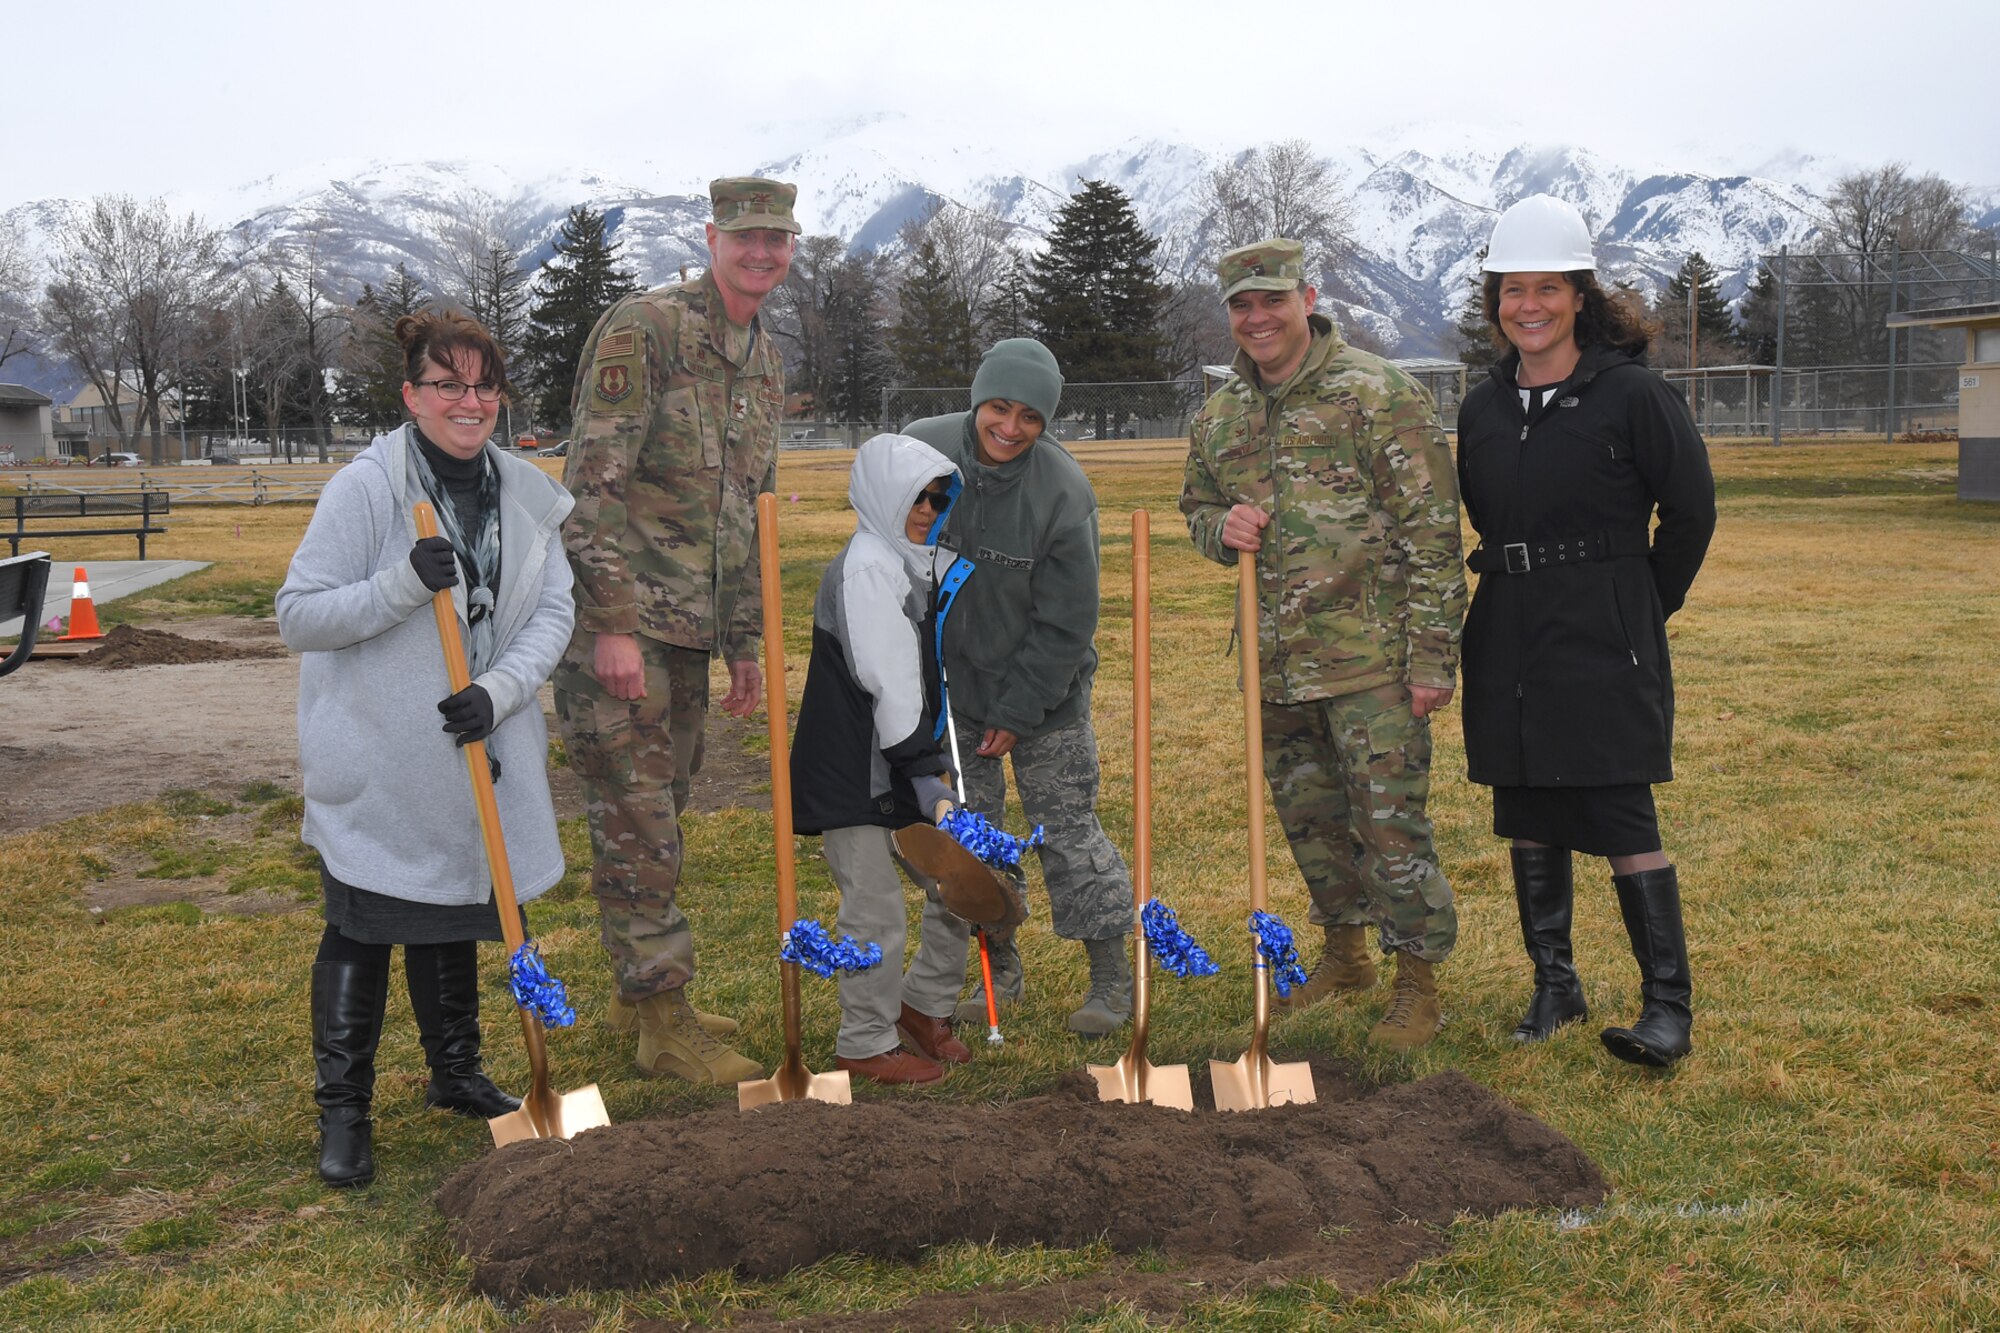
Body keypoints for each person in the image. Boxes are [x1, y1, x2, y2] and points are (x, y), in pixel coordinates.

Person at [276, 310, 576, 1187]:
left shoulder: (523, 491)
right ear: (412, 395)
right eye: (448, 383)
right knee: (365, 923)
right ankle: (345, 1112)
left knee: (456, 902)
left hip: (480, 744)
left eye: (483, 385)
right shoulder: (366, 489)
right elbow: (300, 614)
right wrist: (401, 584)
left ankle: (455, 1072)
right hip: (383, 758)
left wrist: (499, 691)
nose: (468, 400)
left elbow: (554, 610)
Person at [1181, 238, 1467, 1052]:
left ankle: (1417, 979)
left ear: (1307, 298)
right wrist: (1218, 527)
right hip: (1275, 660)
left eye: (1273, 299)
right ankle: (1344, 955)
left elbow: (1433, 532)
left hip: (1371, 659)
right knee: (1308, 818)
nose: (1258, 317)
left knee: (1390, 825)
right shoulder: (1222, 414)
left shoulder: (1378, 394)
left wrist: (1433, 657)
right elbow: (1197, 504)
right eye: (1242, 304)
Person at [1457, 194, 1716, 1067]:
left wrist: (1640, 605)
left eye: (1546, 288)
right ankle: (1555, 983)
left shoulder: (1632, 394)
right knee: (1528, 802)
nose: (1526, 305)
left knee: (1620, 809)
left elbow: (1690, 511)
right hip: (1509, 624)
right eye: (1510, 289)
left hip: (1604, 630)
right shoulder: (1482, 409)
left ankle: (1666, 1008)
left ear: (1580, 294)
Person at [553, 176, 797, 1086]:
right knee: (641, 820)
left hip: (695, 631)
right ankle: (663, 1019)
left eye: (777, 238)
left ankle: (634, 986)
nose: (762, 252)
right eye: (746, 237)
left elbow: (747, 509)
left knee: (659, 814)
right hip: (625, 629)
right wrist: (609, 626)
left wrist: (744, 642)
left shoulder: (764, 359)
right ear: (712, 238)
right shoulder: (646, 328)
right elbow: (591, 482)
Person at [903, 339, 1135, 1038]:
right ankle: (999, 968)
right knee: (971, 838)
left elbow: (1067, 623)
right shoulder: (922, 452)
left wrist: (1018, 710)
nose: (1010, 426)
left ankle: (1111, 975)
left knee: (1066, 829)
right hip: (949, 694)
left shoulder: (1063, 495)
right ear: (978, 401)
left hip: (1045, 692)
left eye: (1030, 416)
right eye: (998, 408)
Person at [791, 433, 971, 1085]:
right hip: (856, 767)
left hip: (901, 759)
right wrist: (925, 772)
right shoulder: (870, 563)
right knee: (874, 908)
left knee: (960, 886)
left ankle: (920, 1007)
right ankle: (864, 1040)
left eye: (938, 495)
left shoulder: (912, 560)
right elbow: (886, 676)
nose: (927, 507)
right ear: (881, 495)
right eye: (915, 496)